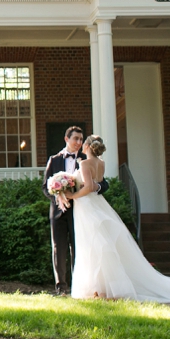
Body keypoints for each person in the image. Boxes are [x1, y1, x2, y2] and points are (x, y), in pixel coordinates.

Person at [60, 135, 170, 302]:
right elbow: (98, 184)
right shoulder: (101, 164)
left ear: (88, 146)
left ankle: (99, 288)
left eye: (84, 142)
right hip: (98, 204)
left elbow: (89, 187)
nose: (81, 145)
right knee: (100, 244)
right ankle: (100, 288)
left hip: (88, 206)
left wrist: (72, 195)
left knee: (92, 243)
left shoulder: (84, 163)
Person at [41, 125, 109, 296]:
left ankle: (78, 286)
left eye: (81, 139)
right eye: (75, 139)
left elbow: (104, 183)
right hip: (58, 211)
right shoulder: (54, 159)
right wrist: (59, 196)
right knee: (59, 247)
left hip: (81, 211)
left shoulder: (86, 158)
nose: (79, 142)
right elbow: (45, 186)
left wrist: (95, 187)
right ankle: (61, 287)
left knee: (79, 248)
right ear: (66, 139)